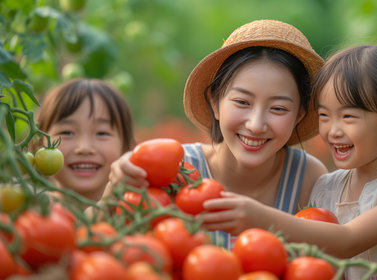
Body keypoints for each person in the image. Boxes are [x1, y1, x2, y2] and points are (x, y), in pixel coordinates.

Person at [204, 45, 377, 280]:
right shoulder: (326, 188)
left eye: (348, 117)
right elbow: (330, 274)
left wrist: (259, 216)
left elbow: (348, 240)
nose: (333, 131)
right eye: (324, 116)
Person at [107, 19, 328, 249]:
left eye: (278, 109)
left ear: (300, 115)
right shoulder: (174, 169)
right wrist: (113, 193)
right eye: (242, 102)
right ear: (215, 102)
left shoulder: (306, 178)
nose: (255, 124)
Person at [37, 78, 135, 202]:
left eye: (101, 133)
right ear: (39, 144)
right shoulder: (23, 211)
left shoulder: (144, 214)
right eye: (67, 132)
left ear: (127, 147)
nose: (84, 148)